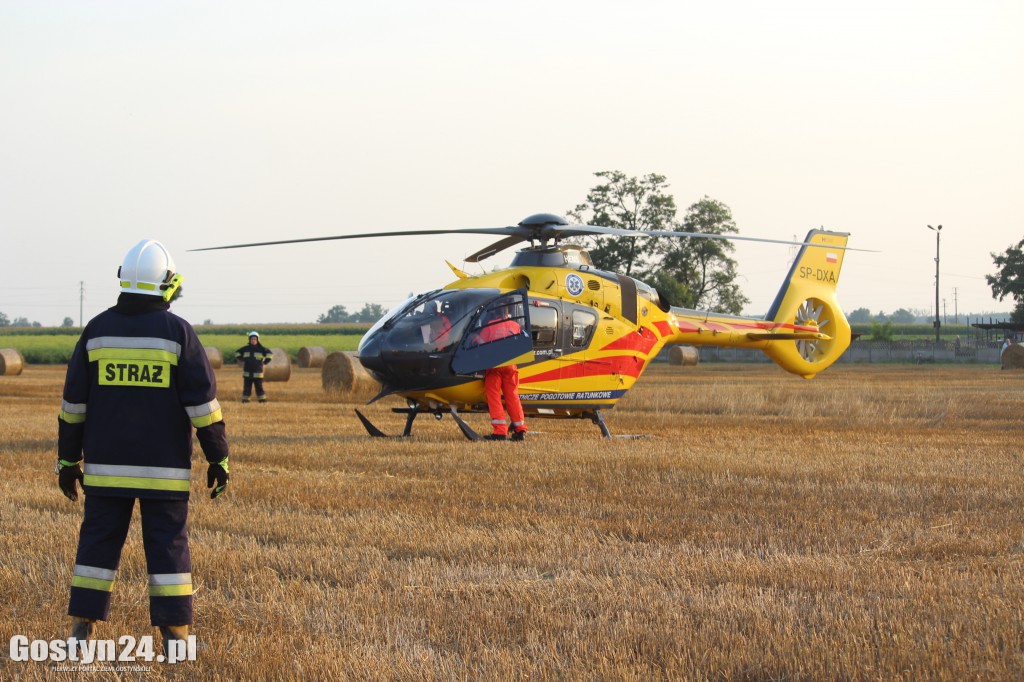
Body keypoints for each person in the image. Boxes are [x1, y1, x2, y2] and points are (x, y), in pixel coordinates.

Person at [55, 239, 230, 654]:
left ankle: (80, 633)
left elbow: (73, 405)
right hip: (163, 472)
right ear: (166, 283)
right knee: (168, 550)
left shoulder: (96, 331)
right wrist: (218, 457)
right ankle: (176, 639)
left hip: (106, 470)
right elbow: (203, 408)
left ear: (124, 280)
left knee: (96, 546)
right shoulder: (178, 333)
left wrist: (67, 460)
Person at [476, 306, 528, 441]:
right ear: (507, 313)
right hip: (511, 366)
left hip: (495, 366)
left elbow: (480, 344)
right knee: (513, 397)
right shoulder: (515, 326)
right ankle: (520, 430)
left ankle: (500, 431)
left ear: (494, 313)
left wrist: (473, 337)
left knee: (494, 397)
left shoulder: (490, 326)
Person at [235, 331, 272, 403]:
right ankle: (245, 401)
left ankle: (262, 401)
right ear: (249, 340)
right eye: (252, 339)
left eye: (255, 339)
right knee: (247, 388)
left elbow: (270, 354)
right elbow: (237, 353)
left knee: (259, 388)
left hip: (258, 374)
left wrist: (265, 362)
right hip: (247, 373)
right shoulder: (245, 349)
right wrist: (241, 359)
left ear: (258, 340)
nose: (253, 340)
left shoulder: (261, 349)